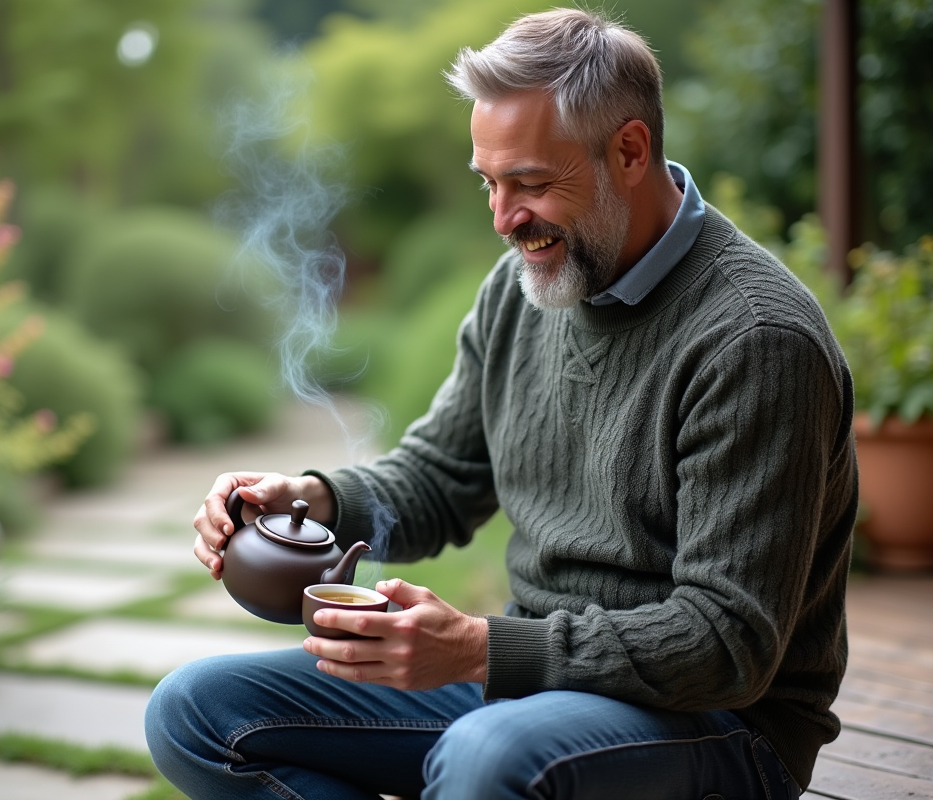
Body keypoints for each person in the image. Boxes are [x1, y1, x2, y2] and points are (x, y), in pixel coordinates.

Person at [145, 8, 857, 799]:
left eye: (530, 184)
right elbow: (442, 476)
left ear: (629, 150)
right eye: (489, 182)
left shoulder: (754, 339)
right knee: (197, 712)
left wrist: (483, 649)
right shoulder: (521, 290)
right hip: (531, 688)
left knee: (488, 757)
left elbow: (727, 643)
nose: (503, 219)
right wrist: (313, 499)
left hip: (724, 725)